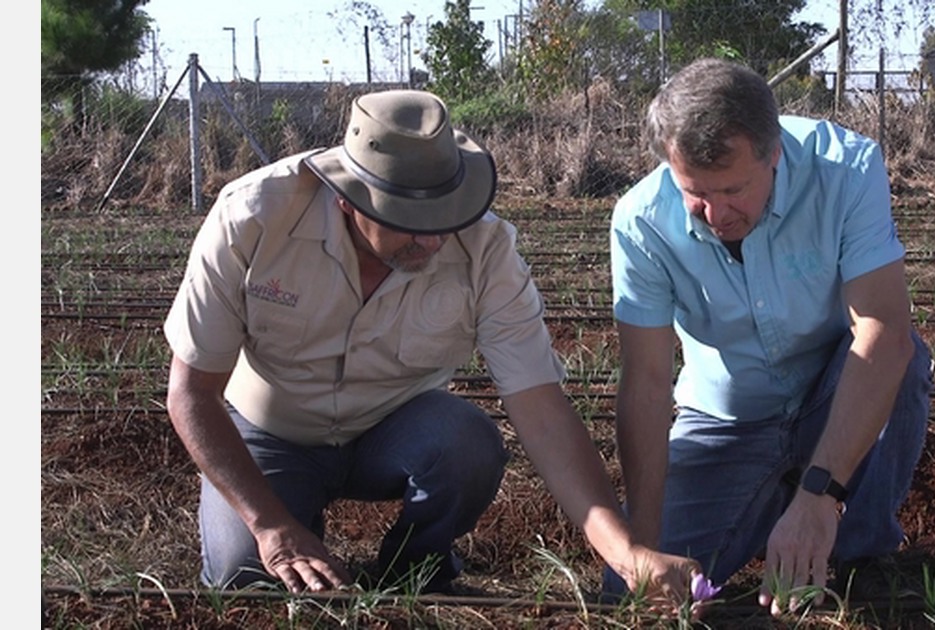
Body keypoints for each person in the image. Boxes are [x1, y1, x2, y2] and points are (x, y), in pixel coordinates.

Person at [163, 89, 699, 604]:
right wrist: (271, 525)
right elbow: (191, 394)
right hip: (272, 431)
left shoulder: (485, 249)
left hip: (394, 429)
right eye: (407, 223)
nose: (431, 240)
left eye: (443, 219)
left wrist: (626, 552)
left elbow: (541, 410)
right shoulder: (253, 217)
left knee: (466, 442)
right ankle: (292, 522)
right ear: (347, 198)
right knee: (247, 580)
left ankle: (413, 569)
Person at [602, 58, 933, 616]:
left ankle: (859, 558)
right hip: (727, 418)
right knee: (630, 597)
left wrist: (819, 496)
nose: (715, 213)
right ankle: (771, 503)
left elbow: (883, 330)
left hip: (831, 393)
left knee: (903, 359)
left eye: (733, 189)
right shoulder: (640, 221)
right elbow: (648, 384)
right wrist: (645, 548)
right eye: (695, 192)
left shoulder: (845, 169)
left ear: (773, 153)